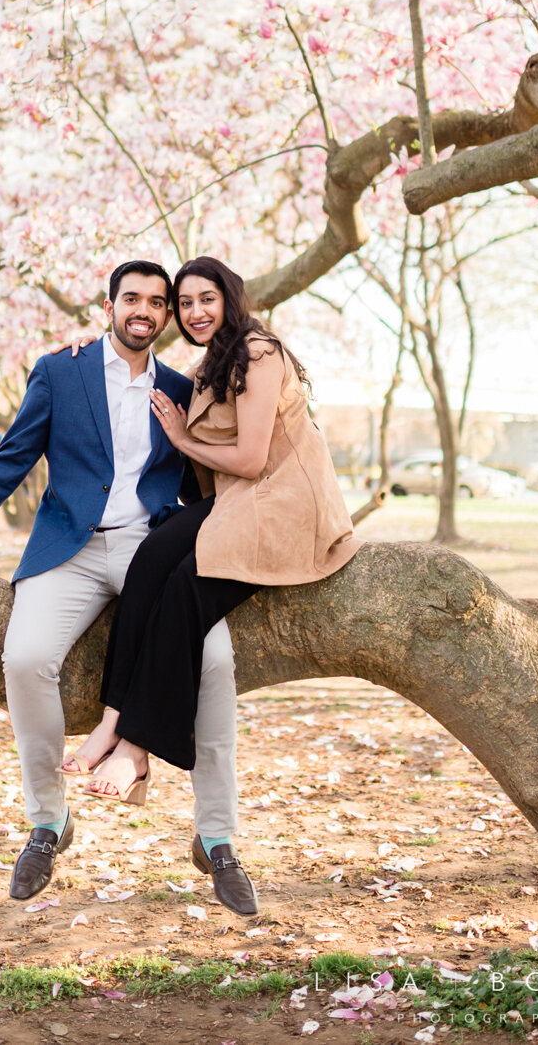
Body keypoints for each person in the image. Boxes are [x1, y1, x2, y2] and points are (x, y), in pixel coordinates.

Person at [0, 260, 257, 915]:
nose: (144, 309)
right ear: (107, 306)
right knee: (25, 658)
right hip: (70, 550)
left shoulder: (181, 387)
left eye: (157, 302)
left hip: (155, 552)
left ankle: (217, 835)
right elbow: (10, 460)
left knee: (216, 662)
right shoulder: (61, 371)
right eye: (131, 298)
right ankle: (48, 821)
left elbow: (213, 477)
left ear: (167, 317)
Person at [64, 257, 362, 890]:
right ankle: (113, 719)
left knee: (183, 594)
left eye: (207, 299)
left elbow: (252, 460)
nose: (197, 311)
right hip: (231, 505)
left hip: (282, 513)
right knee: (149, 562)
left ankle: (139, 748)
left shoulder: (257, 352)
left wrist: (178, 435)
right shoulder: (209, 365)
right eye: (186, 303)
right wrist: (89, 349)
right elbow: (124, 362)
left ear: (230, 299)